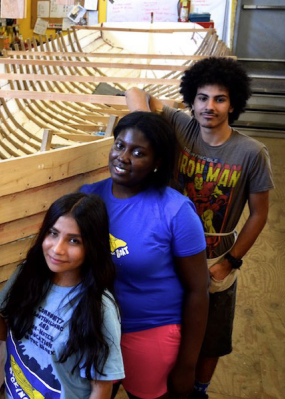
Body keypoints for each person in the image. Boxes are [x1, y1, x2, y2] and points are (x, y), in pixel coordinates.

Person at [125, 58, 274, 399]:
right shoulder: (180, 126)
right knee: (167, 326)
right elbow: (135, 91)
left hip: (215, 257)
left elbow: (259, 214)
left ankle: (199, 391)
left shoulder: (251, 153)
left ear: (232, 103)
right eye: (202, 98)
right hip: (170, 252)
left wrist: (230, 262)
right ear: (191, 100)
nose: (209, 107)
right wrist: (146, 126)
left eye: (219, 99)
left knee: (212, 338)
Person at [0, 192, 125, 399]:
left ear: (92, 247)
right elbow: (9, 330)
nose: (57, 249)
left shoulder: (100, 308)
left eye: (73, 240)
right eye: (53, 233)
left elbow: (101, 387)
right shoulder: (27, 275)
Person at [80, 112, 209, 399]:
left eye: (138, 153)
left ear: (157, 162)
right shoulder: (88, 198)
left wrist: (187, 365)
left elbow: (199, 291)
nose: (123, 157)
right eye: (119, 146)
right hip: (98, 328)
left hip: (151, 330)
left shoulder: (176, 211)